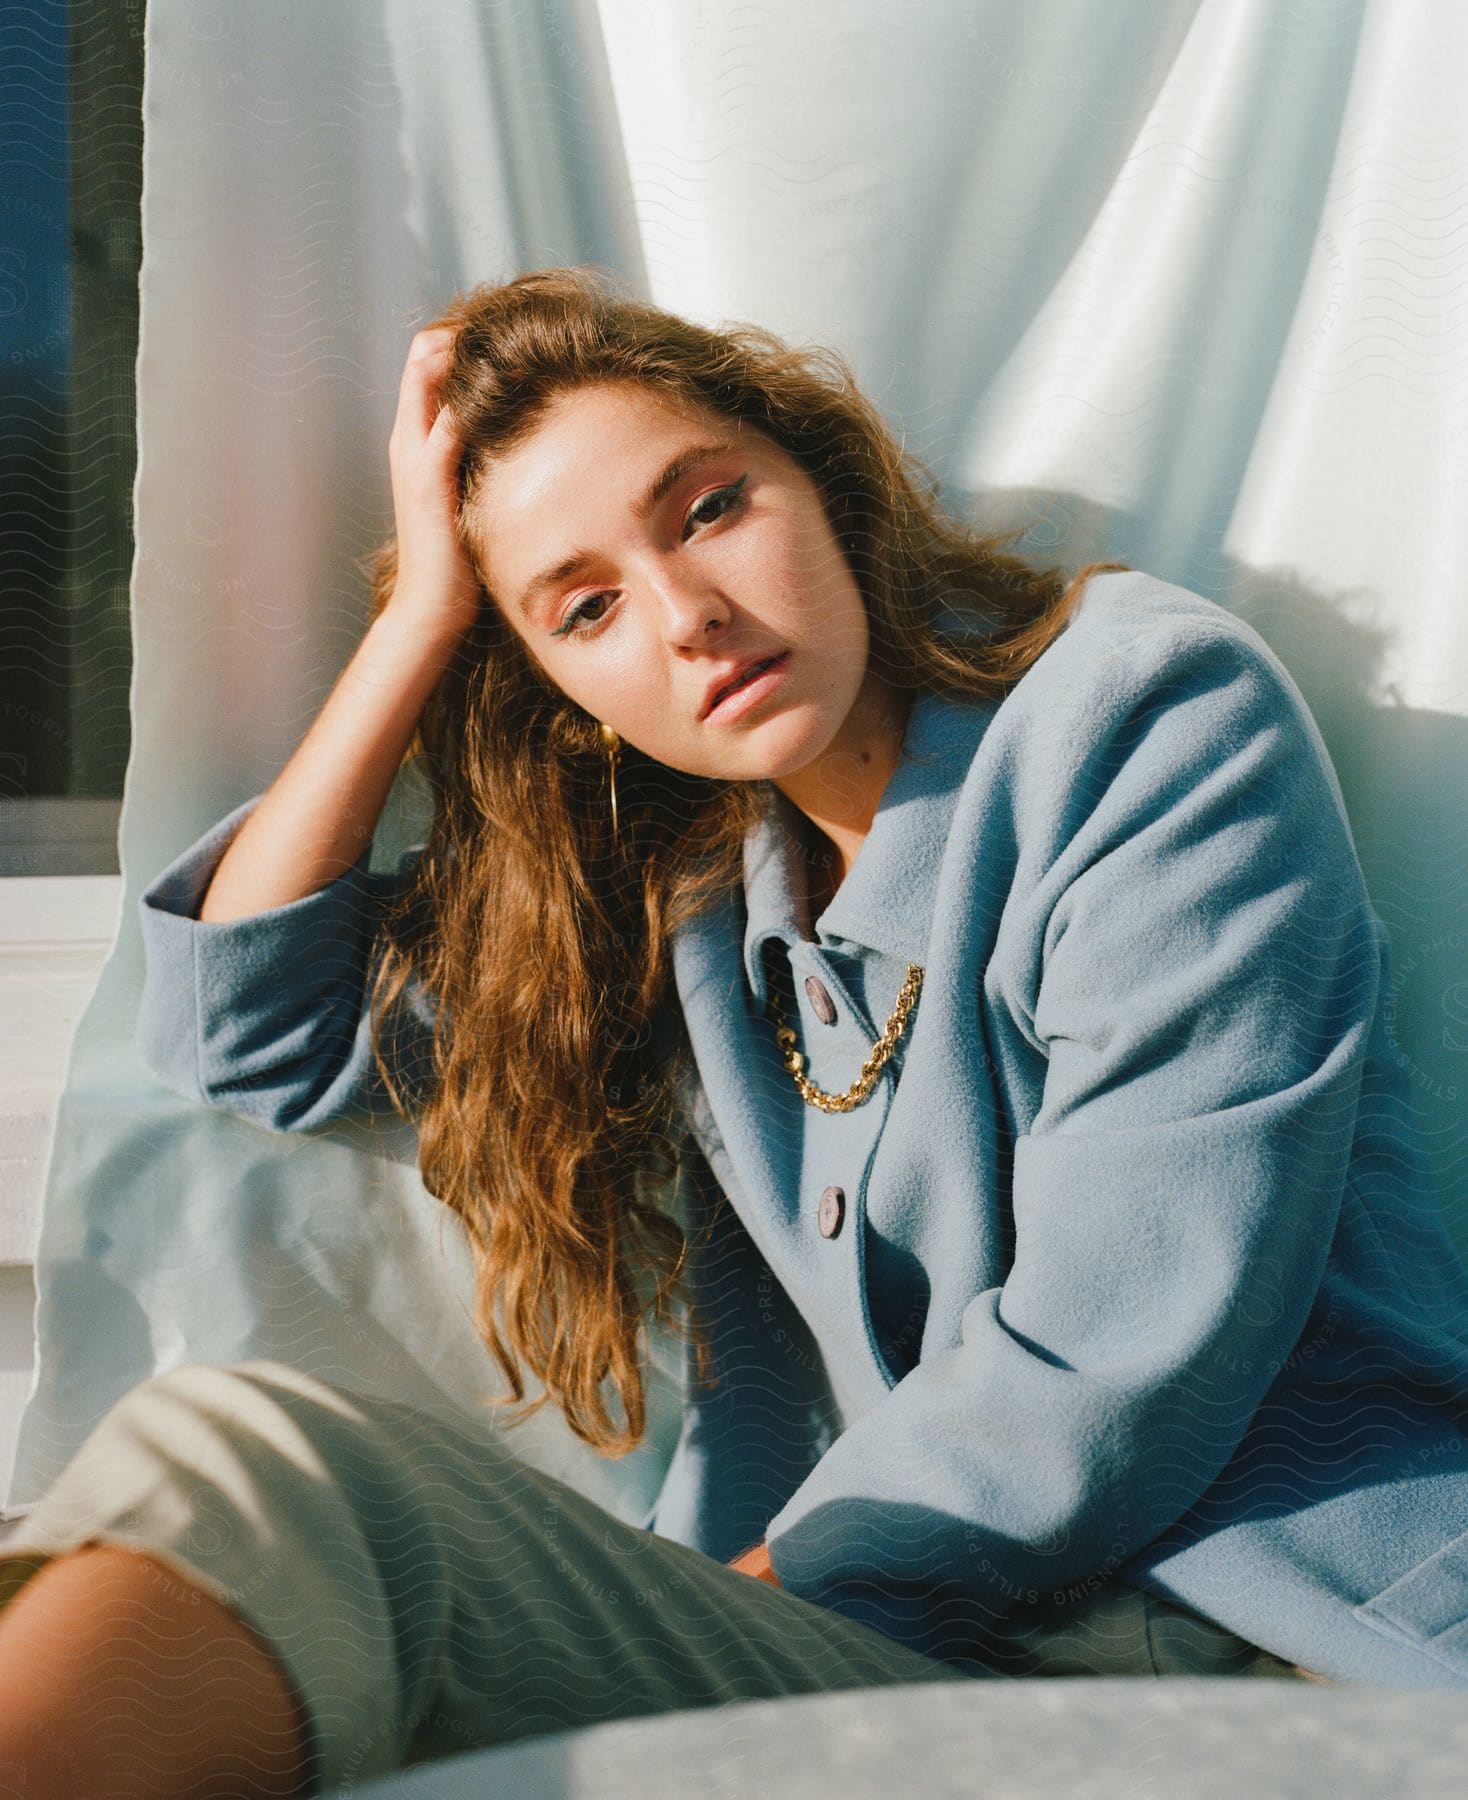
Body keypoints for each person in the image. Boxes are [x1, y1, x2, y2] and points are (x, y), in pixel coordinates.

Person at [2, 264, 1465, 1796]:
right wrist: (422, 620)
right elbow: (251, 1030)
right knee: (227, 1475)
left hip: (1272, 1643)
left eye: (706, 509)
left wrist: (714, 1615)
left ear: (823, 486)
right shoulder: (688, 897)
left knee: (277, 1487)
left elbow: (1127, 1338)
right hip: (921, 1667)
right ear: (558, 685)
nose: (689, 618)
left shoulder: (1140, 721)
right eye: (585, 607)